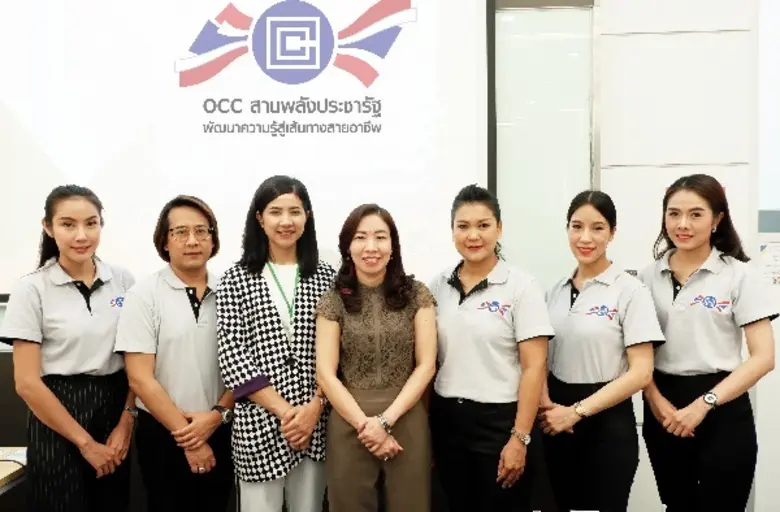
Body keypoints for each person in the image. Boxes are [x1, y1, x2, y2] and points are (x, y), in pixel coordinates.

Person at [639, 174, 778, 511]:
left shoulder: (740, 275)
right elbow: (637, 355)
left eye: (696, 214)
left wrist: (704, 404)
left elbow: (763, 357)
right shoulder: (645, 277)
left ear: (717, 219)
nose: (682, 224)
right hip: (664, 408)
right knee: (677, 505)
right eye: (674, 213)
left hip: (722, 406)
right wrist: (655, 400)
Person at [0, 185, 136, 512]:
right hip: (56, 414)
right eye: (68, 224)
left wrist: (126, 422)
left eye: (91, 223)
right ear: (48, 227)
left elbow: (138, 362)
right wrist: (86, 444)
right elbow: (27, 383)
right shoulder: (31, 288)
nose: (81, 235)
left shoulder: (124, 281)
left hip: (115, 408)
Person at [427, 184, 553, 512]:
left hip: (500, 422)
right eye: (463, 226)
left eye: (483, 225)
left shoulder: (521, 287)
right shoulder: (438, 285)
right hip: (447, 419)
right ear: (452, 231)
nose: (473, 235)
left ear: (499, 228)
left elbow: (534, 367)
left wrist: (520, 437)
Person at [538, 190, 664, 512]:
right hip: (554, 421)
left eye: (597, 228)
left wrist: (576, 412)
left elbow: (641, 373)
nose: (585, 238)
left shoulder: (630, 291)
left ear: (612, 233)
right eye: (576, 226)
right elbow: (538, 359)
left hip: (607, 424)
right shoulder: (554, 291)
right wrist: (548, 405)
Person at [216, 175, 335, 512]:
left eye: (294, 212)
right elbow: (232, 356)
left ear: (307, 216)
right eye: (275, 212)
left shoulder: (326, 276)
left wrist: (313, 409)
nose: (286, 221)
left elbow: (337, 353)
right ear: (259, 218)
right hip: (259, 423)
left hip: (315, 424)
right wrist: (287, 414)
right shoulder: (236, 279)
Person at [114, 195, 235, 511]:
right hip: (163, 434)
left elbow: (244, 368)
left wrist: (216, 416)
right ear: (165, 241)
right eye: (180, 232)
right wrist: (190, 439)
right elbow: (140, 379)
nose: (192, 240)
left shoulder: (232, 292)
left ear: (213, 239)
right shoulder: (143, 294)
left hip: (221, 427)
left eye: (201, 231)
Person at [315, 203, 437, 512]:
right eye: (360, 237)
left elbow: (426, 365)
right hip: (349, 421)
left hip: (406, 417)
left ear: (393, 246)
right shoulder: (333, 300)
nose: (371, 247)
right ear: (348, 246)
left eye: (380, 237)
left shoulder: (417, 294)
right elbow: (325, 373)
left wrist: (385, 421)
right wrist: (366, 426)